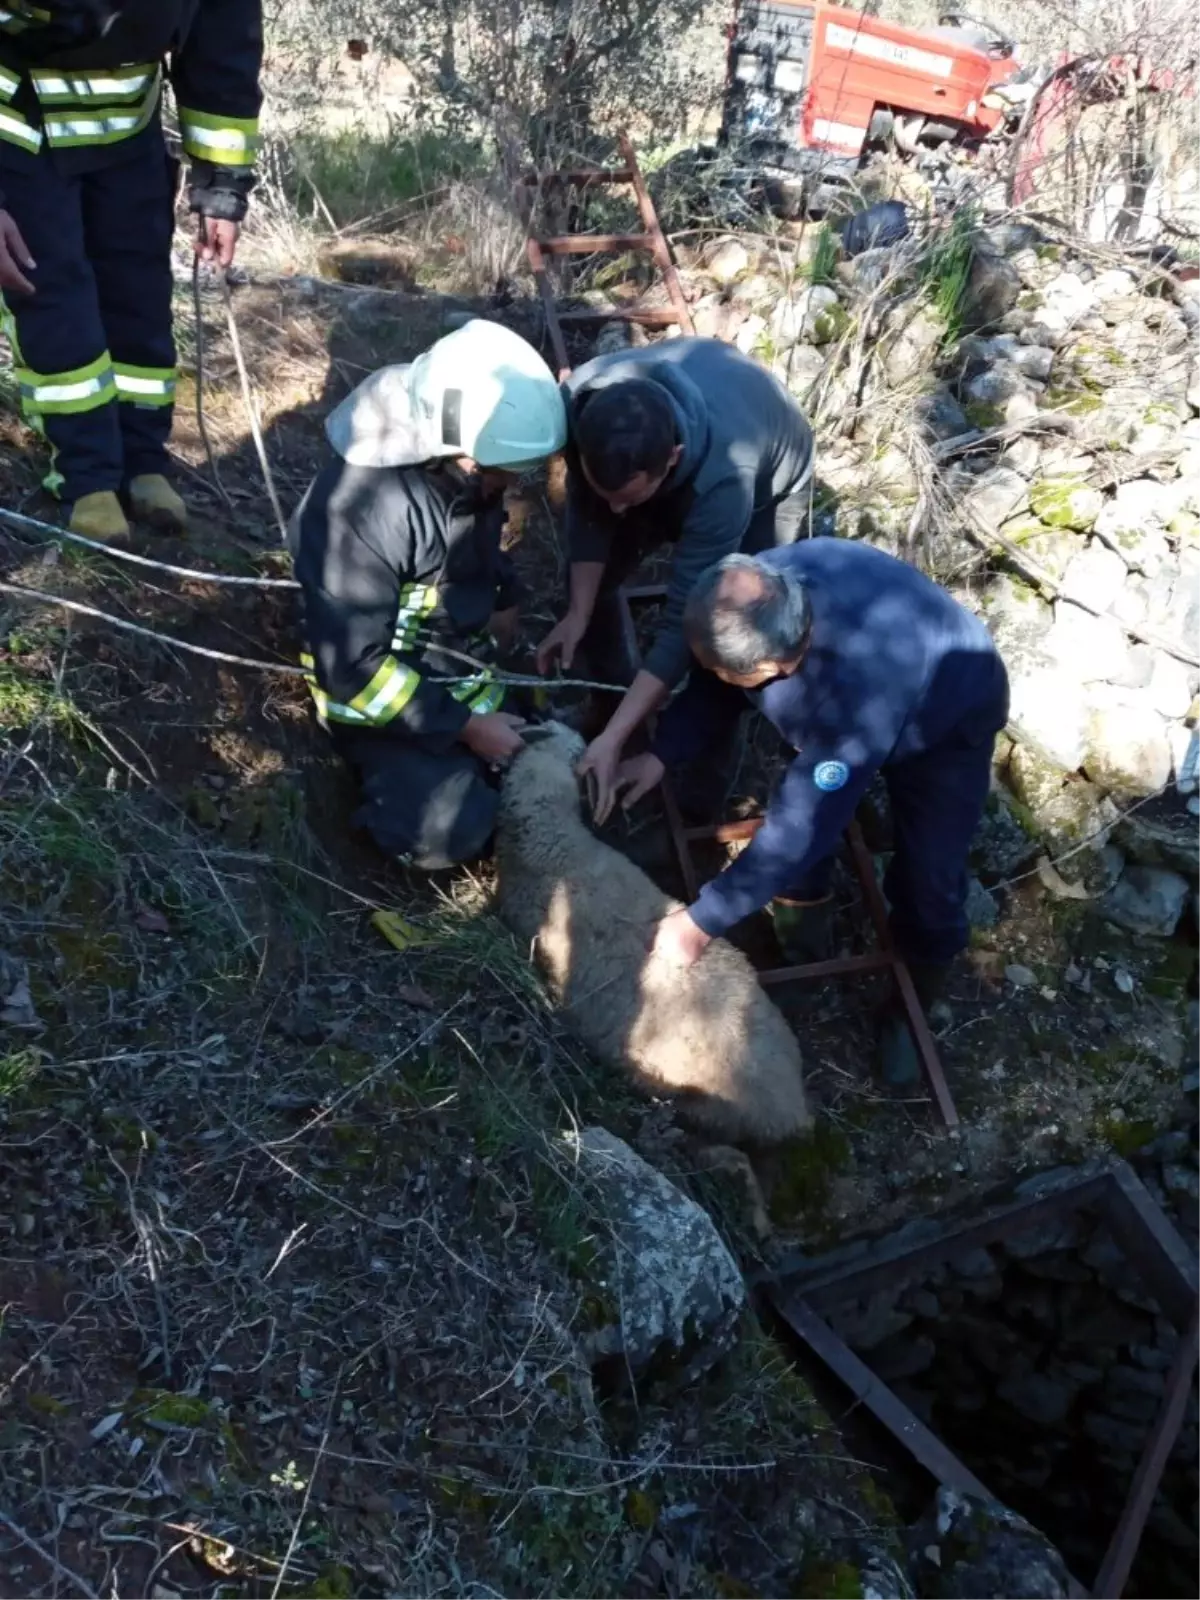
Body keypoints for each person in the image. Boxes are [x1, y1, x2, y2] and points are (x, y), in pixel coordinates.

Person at [611, 540, 1009, 1087]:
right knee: (807, 822)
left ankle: (913, 998)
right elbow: (715, 680)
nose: (725, 680)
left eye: (740, 676)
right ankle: (803, 946)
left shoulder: (855, 694)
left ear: (778, 664)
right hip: (856, 702)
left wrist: (701, 921)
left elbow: (801, 826)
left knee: (929, 877)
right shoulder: (760, 588)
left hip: (945, 719)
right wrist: (662, 753)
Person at [288, 319, 568, 871]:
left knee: (540, 750)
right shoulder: (361, 513)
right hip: (381, 705)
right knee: (447, 830)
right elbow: (352, 669)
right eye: (499, 473)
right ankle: (379, 819)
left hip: (451, 669)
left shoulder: (458, 473)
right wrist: (466, 728)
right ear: (457, 447)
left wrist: (505, 594)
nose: (507, 485)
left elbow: (476, 546)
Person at [0, 1, 263, 543]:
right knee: (55, 301)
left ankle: (142, 459)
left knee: (138, 299)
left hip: (129, 128)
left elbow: (222, 39)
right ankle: (86, 478)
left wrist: (222, 183)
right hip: (18, 123)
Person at [534, 337, 815, 806]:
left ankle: (700, 783)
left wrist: (615, 740)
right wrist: (580, 612)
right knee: (594, 580)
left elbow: (683, 619)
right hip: (680, 440)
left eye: (629, 498)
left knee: (733, 638)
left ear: (672, 459)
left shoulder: (726, 482)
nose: (616, 512)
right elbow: (589, 510)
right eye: (608, 493)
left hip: (772, 478)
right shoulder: (584, 407)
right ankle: (613, 705)